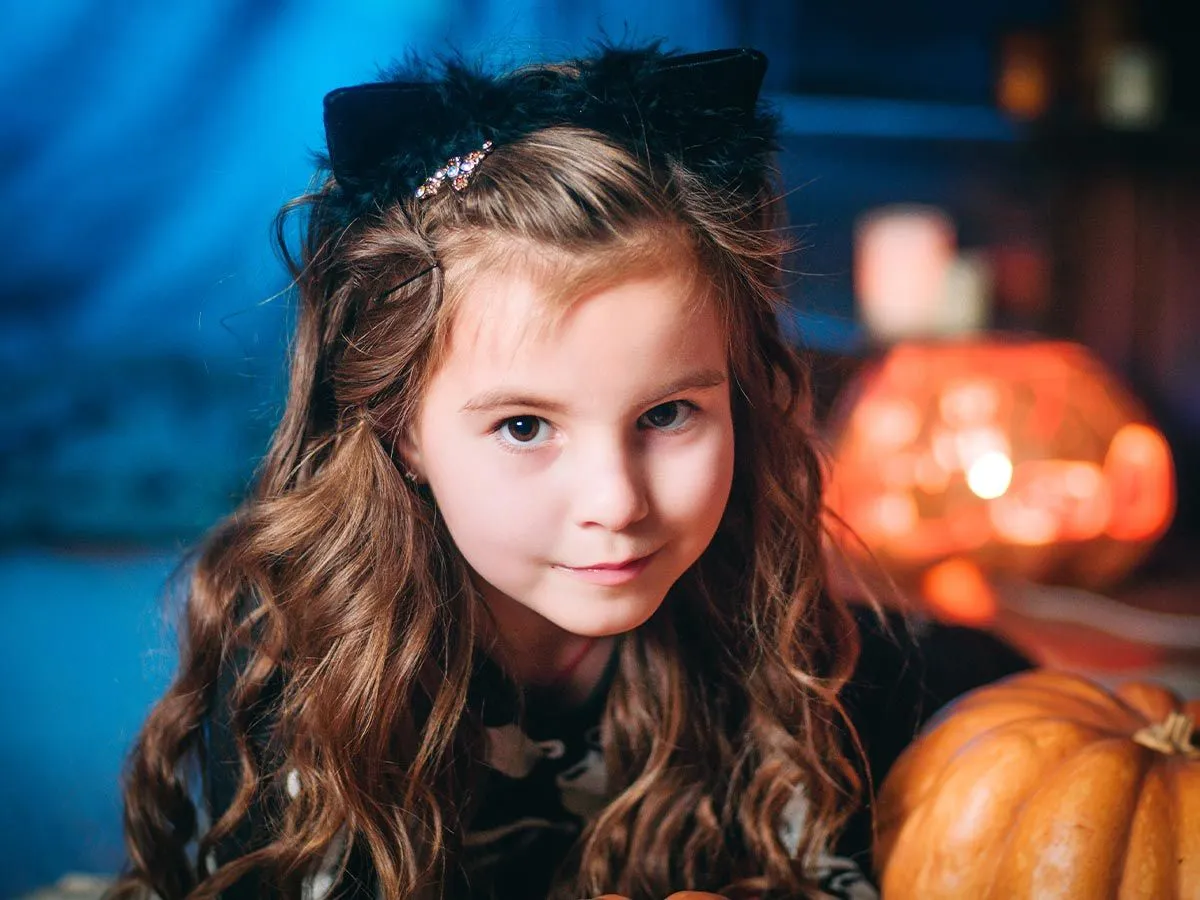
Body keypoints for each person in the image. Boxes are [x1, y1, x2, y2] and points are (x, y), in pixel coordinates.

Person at [110, 43, 1028, 900]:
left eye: (668, 415)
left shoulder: (787, 647)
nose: (616, 503)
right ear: (401, 429)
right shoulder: (305, 685)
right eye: (523, 426)